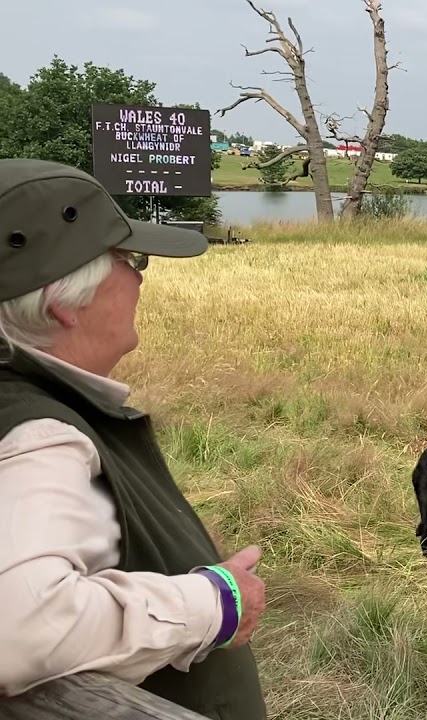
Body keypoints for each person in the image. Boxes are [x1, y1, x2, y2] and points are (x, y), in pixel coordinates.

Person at [0, 158, 267, 719]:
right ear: (64, 303)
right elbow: (21, 629)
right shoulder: (41, 435)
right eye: (130, 259)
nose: (141, 276)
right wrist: (211, 604)